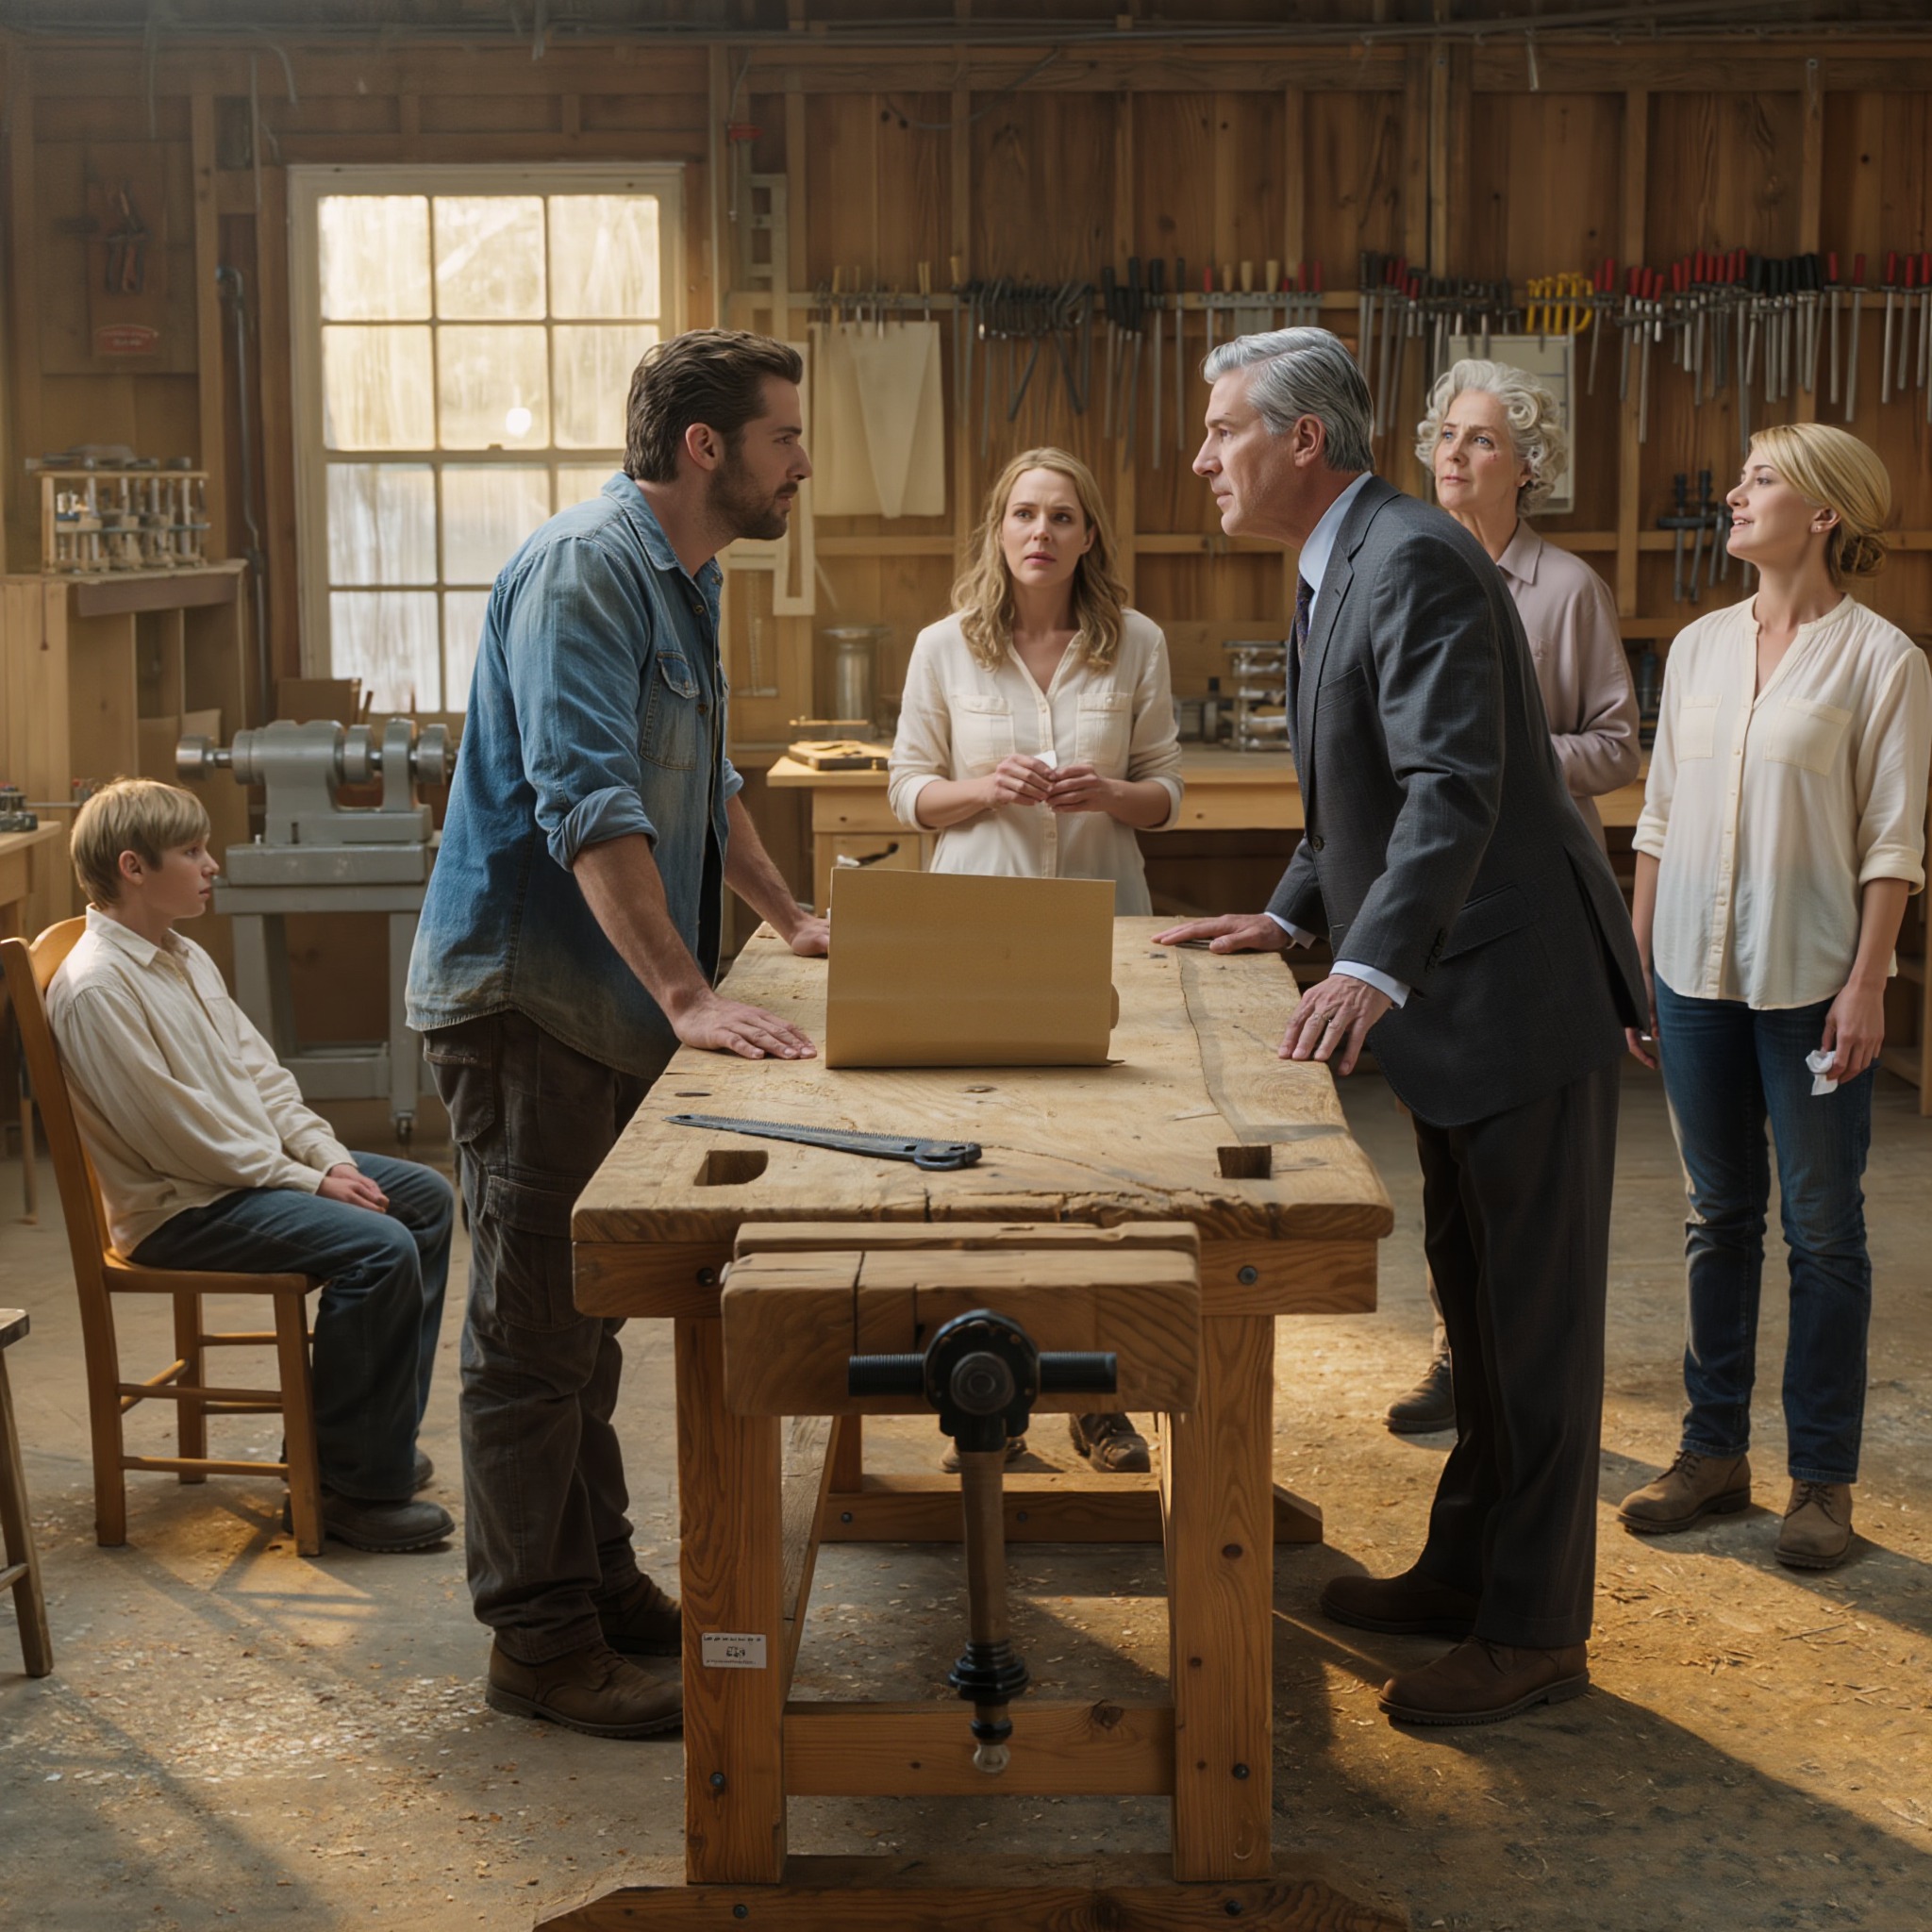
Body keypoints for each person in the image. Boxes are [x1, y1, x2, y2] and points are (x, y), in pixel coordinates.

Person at [1157, 326, 1648, 1726]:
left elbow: (1453, 783)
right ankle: (1466, 1569)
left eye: (1224, 431)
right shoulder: (1341, 561)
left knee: (1535, 1330)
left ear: (1303, 439)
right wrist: (1288, 917)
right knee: (1476, 1308)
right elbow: (1353, 801)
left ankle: (1535, 1630)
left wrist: (1369, 964)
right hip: (1455, 995)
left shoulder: (1412, 555)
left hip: (1518, 990)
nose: (1201, 459)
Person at [407, 330, 829, 1740]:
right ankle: (538, 1640)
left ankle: (595, 1577)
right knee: (533, 1335)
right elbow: (589, 800)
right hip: (528, 1002)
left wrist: (788, 917)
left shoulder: (681, 577)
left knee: (587, 1330)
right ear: (705, 448)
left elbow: (706, 784)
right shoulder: (586, 569)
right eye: (783, 438)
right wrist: (692, 996)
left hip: (600, 1003)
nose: (801, 463)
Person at [1617, 423, 1930, 1572]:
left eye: (1760, 479)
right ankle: (1711, 1452)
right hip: (1690, 979)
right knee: (1715, 1216)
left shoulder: (1882, 661)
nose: (1735, 495)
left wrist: (1867, 983)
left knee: (1822, 1229)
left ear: (1824, 511)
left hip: (1810, 985)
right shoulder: (1698, 646)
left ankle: (1821, 1481)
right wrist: (1633, 963)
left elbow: (1892, 841)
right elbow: (1657, 817)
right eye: (1742, 478)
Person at [48, 779, 453, 1554]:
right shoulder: (98, 988)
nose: (212, 866)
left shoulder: (183, 954)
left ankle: (367, 1444)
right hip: (181, 1207)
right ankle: (344, 1491)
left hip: (236, 1176)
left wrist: (326, 1157)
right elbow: (180, 1139)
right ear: (134, 867)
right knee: (380, 1247)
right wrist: (308, 1180)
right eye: (192, 851)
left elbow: (263, 1081)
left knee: (424, 1199)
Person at [891, 446, 1183, 1475]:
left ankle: (1102, 1403)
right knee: (988, 1173)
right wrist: (983, 790)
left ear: (1088, 534)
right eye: (1023, 513)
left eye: (1062, 515)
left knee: (1114, 1174)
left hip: (1107, 934)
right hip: (979, 941)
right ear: (998, 528)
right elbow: (907, 790)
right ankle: (992, 1403)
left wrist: (1110, 793)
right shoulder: (943, 647)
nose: (1040, 532)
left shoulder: (1136, 641)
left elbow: (1166, 790)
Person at [1385, 360, 1641, 1436]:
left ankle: (1511, 1382)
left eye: (1482, 439)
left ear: (1528, 466)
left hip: (1529, 901)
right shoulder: (1405, 567)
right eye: (1447, 434)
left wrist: (1498, 757)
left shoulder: (1565, 588)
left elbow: (1616, 745)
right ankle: (1456, 1348)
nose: (1454, 454)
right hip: (1434, 892)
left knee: (1518, 1159)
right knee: (1440, 1136)